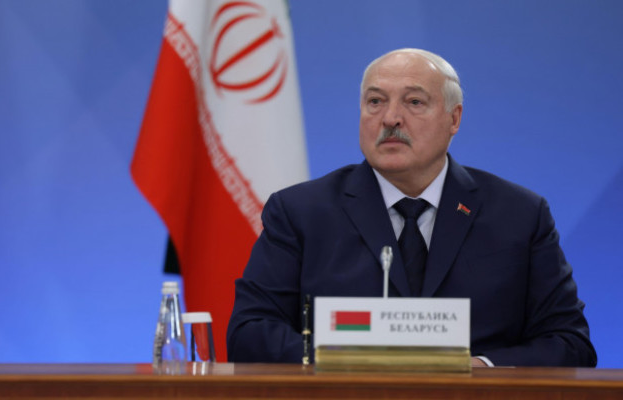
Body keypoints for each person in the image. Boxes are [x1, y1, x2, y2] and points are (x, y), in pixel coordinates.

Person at [226, 48, 597, 367]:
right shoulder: (300, 211)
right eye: (375, 101)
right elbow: (250, 331)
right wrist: (352, 362)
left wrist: (482, 368)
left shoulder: (519, 215)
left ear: (454, 119)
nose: (390, 119)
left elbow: (570, 342)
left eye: (414, 102)